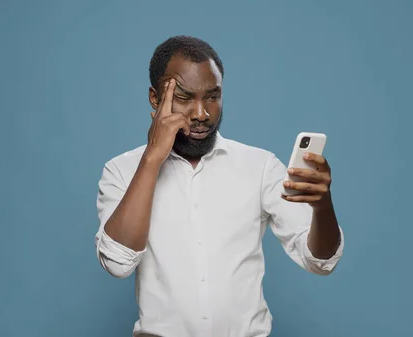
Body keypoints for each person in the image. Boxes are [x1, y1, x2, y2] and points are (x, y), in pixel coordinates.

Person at [95, 35, 344, 337]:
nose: (201, 114)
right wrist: (151, 160)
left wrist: (323, 205)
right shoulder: (121, 171)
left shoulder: (260, 166)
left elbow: (320, 260)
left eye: (212, 97)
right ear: (155, 99)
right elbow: (117, 263)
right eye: (184, 97)